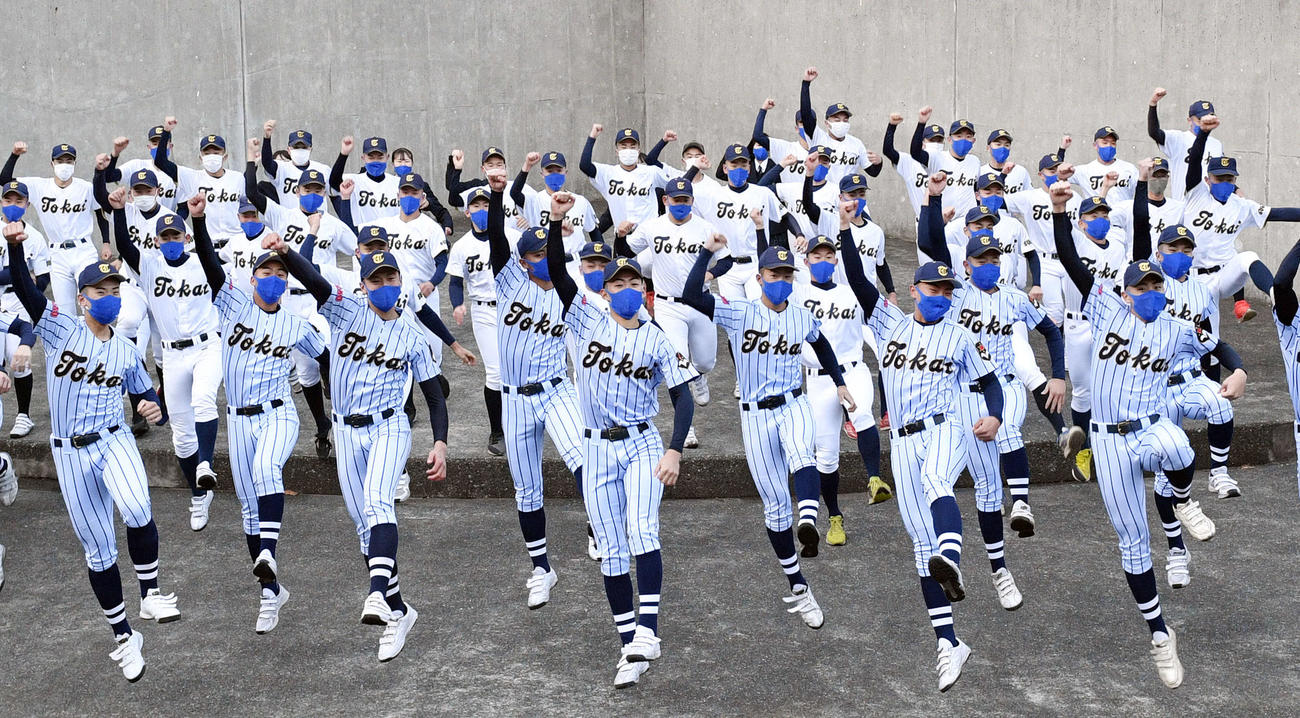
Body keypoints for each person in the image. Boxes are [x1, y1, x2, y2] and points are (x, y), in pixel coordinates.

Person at [1049, 179, 1247, 688]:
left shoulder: (1176, 327)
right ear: (1125, 293)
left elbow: (1217, 346)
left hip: (1153, 426)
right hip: (1107, 440)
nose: (1153, 293)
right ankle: (1160, 634)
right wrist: (1059, 210)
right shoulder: (1105, 307)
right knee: (1134, 545)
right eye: (1143, 287)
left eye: (1157, 286)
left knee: (1180, 449)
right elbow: (1070, 259)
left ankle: (1182, 500)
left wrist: (1240, 370)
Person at [838, 188, 1003, 690]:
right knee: (919, 546)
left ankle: (952, 559)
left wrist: (995, 416)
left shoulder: (959, 335)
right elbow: (859, 280)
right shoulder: (888, 323)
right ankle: (949, 644)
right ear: (914, 291)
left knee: (938, 484)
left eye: (948, 291)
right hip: (903, 443)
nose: (941, 296)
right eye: (933, 289)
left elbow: (991, 383)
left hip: (945, 427)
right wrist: (844, 228)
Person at [268, 228, 449, 663]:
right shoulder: (345, 311)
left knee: (378, 504)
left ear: (400, 282)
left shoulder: (413, 335)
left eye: (391, 279)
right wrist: (287, 253)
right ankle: (399, 611)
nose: (384, 286)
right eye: (376, 280)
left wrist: (440, 443)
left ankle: (376, 595)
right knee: (365, 528)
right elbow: (314, 281)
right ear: (363, 284)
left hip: (390, 427)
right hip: (346, 432)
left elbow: (434, 395)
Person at [5, 224, 173, 681]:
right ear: (82, 299)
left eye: (115, 289)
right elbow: (25, 290)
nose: (111, 297)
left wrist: (152, 407)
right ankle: (124, 637)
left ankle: (151, 593)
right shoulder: (60, 328)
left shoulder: (126, 351)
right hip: (69, 454)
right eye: (101, 290)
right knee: (99, 552)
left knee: (137, 508)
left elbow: (147, 398)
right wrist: (16, 249)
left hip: (113, 439)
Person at [549, 217, 695, 687]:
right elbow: (556, 270)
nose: (627, 289)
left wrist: (674, 450)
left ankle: (647, 631)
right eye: (618, 283)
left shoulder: (657, 337)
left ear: (643, 290)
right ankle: (629, 646)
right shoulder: (585, 318)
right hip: (594, 447)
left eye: (635, 282)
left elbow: (683, 397)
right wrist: (555, 222)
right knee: (611, 551)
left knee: (641, 530)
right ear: (605, 290)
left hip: (641, 444)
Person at [682, 235, 851, 630]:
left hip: (793, 402)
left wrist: (839, 382)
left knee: (803, 455)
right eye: (775, 274)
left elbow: (822, 346)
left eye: (787, 275)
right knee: (775, 507)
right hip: (754, 415)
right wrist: (707, 253)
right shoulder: (738, 311)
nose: (782, 281)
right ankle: (799, 586)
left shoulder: (801, 316)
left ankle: (807, 519)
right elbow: (692, 296)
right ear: (759, 278)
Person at [917, 174, 1068, 600]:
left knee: (1007, 436)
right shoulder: (956, 294)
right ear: (966, 265)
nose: (988, 263)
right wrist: (932, 199)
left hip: (1001, 387)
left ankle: (1018, 513)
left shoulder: (1015, 297)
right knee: (977, 488)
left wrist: (1058, 374)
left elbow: (1051, 332)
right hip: (957, 395)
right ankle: (985, 563)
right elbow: (930, 242)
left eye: (994, 258)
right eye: (980, 259)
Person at [190, 193, 328, 633]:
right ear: (251, 279)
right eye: (265, 272)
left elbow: (327, 360)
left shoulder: (297, 324)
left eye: (280, 273)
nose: (273, 278)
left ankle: (268, 551)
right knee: (249, 513)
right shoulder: (233, 305)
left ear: (287, 282)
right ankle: (271, 593)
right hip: (238, 420)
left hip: (278, 414)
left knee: (268, 469)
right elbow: (210, 265)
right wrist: (198, 222)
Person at [482, 172, 588, 607]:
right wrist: (495, 195)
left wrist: (555, 220)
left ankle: (600, 526)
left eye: (548, 252)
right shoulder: (510, 282)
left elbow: (559, 260)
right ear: (524, 260)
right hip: (514, 399)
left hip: (556, 390)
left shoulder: (567, 291)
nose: (543, 258)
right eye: (536, 254)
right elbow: (496, 239)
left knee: (583, 461)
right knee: (527, 490)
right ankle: (542, 568)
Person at [108, 194, 223, 531]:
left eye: (176, 235)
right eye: (165, 236)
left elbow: (208, 253)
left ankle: (205, 465)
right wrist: (118, 212)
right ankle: (199, 495)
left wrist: (198, 220)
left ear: (185, 238)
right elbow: (125, 246)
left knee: (204, 399)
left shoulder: (202, 263)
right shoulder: (149, 266)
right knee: (182, 438)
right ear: (156, 240)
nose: (171, 240)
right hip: (172, 354)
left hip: (207, 346)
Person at [626, 177, 731, 445]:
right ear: (666, 200)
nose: (681, 203)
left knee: (705, 362)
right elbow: (629, 249)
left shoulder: (705, 228)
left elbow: (727, 260)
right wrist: (620, 233)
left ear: (692, 201)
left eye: (685, 199)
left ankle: (698, 376)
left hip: (700, 303)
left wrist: (711, 273)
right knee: (676, 366)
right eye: (676, 199)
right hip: (667, 305)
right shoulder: (652, 227)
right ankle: (687, 428)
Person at [1181, 116, 1290, 327]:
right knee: (1208, 338)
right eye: (1219, 178)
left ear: (1235, 181)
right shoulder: (1196, 195)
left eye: (1229, 179)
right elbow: (1194, 162)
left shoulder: (1241, 205)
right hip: (1196, 279)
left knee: (1247, 256)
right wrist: (1203, 133)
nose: (1224, 182)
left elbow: (1277, 213)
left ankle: (1275, 295)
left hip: (1224, 276)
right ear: (1207, 179)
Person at [448, 186, 514, 455]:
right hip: (484, 310)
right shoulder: (462, 246)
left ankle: (519, 425)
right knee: (496, 373)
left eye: (486, 205)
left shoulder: (511, 236)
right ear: (467, 212)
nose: (482, 210)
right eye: (476, 206)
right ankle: (497, 431)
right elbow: (455, 282)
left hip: (514, 308)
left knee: (517, 370)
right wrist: (457, 304)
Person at [0, 181, 50, 439]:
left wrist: (27, 285)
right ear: (1, 202)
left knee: (17, 355)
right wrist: (17, 274)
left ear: (27, 204)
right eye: (8, 200)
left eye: (18, 201)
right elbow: (17, 275)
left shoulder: (36, 237)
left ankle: (23, 415)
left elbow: (42, 278)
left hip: (20, 301)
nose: (13, 205)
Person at [580, 125, 667, 247]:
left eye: (633, 146)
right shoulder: (608, 173)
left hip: (648, 237)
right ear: (617, 151)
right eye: (624, 146)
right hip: (622, 237)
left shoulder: (651, 172)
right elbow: (584, 165)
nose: (628, 150)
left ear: (638, 150)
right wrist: (592, 137)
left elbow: (676, 185)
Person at [797, 67, 880, 188]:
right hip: (823, 193)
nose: (842, 123)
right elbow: (806, 114)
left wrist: (879, 162)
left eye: (845, 120)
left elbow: (873, 172)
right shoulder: (818, 137)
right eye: (837, 120)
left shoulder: (856, 143)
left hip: (847, 195)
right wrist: (806, 84)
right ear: (827, 123)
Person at [1147, 89, 1223, 202]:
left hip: (1209, 205)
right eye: (1200, 119)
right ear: (1189, 120)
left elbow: (1222, 174)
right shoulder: (1178, 138)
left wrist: (1236, 190)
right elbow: (1154, 132)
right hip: (1183, 203)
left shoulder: (1216, 144)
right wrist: (1153, 104)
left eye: (1209, 117)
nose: (1205, 121)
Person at [910, 108, 981, 215]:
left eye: (968, 136)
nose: (963, 140)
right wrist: (921, 123)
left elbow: (976, 190)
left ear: (973, 140)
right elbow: (915, 153)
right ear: (949, 139)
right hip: (942, 218)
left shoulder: (975, 161)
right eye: (959, 136)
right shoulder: (937, 157)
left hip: (966, 220)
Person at [330, 136, 401, 226]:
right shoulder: (353, 181)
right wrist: (344, 154)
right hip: (363, 233)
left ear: (387, 157)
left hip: (392, 233)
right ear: (363, 158)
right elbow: (334, 182)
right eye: (371, 158)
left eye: (380, 158)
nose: (375, 161)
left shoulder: (398, 182)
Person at [259, 121, 332, 203]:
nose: (300, 150)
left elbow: (335, 194)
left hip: (318, 211)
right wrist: (267, 138)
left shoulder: (323, 169)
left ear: (311, 149)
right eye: (296, 147)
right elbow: (267, 163)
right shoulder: (281, 168)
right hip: (288, 211)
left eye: (304, 147)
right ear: (288, 150)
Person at [1070, 126, 1138, 202]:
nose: (1109, 146)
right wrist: (1062, 149)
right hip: (1097, 209)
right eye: (1105, 143)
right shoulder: (1084, 170)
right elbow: (1059, 174)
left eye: (1113, 143)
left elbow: (1143, 191)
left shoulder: (1129, 168)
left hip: (1123, 209)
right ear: (1095, 145)